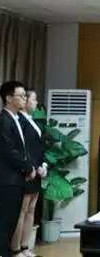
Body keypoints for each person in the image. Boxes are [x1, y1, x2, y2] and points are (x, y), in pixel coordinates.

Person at [0, 81, 35, 257]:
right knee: (5, 223)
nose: (24, 99)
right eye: (20, 95)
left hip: (17, 179)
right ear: (8, 98)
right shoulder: (4, 120)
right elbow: (9, 151)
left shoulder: (16, 119)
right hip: (8, 180)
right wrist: (28, 168)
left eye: (25, 96)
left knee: (11, 223)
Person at [12, 90, 46, 257]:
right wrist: (31, 167)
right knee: (22, 210)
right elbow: (22, 149)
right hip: (27, 171)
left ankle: (26, 247)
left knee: (31, 208)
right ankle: (16, 248)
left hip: (37, 170)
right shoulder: (19, 121)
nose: (36, 102)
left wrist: (43, 165)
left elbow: (38, 148)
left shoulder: (33, 122)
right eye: (33, 99)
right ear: (24, 102)